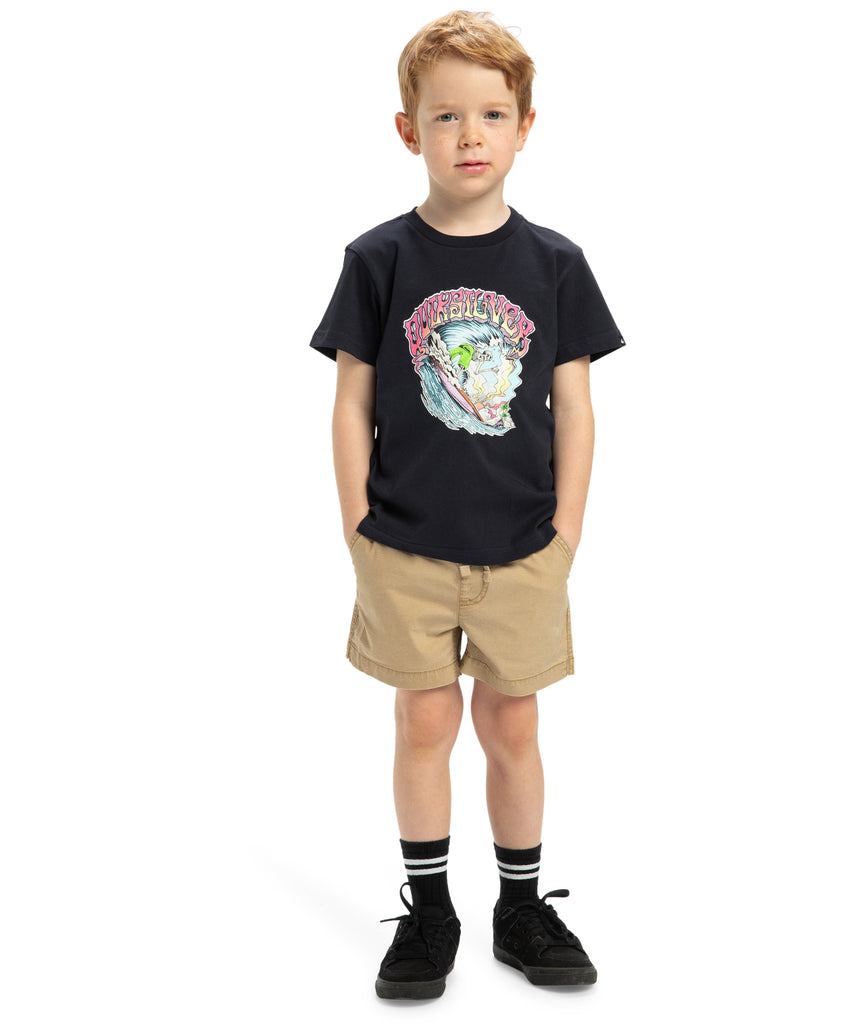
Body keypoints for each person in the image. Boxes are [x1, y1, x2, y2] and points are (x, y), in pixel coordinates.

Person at [309, 10, 625, 1000]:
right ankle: (430, 908)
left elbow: (575, 406)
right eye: (446, 116)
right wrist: (359, 530)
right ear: (409, 131)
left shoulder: (556, 263)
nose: (470, 135)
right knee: (422, 723)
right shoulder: (378, 259)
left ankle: (520, 906)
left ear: (526, 126)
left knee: (514, 725)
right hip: (403, 545)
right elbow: (351, 400)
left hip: (522, 544)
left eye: (491, 113)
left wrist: (565, 534)